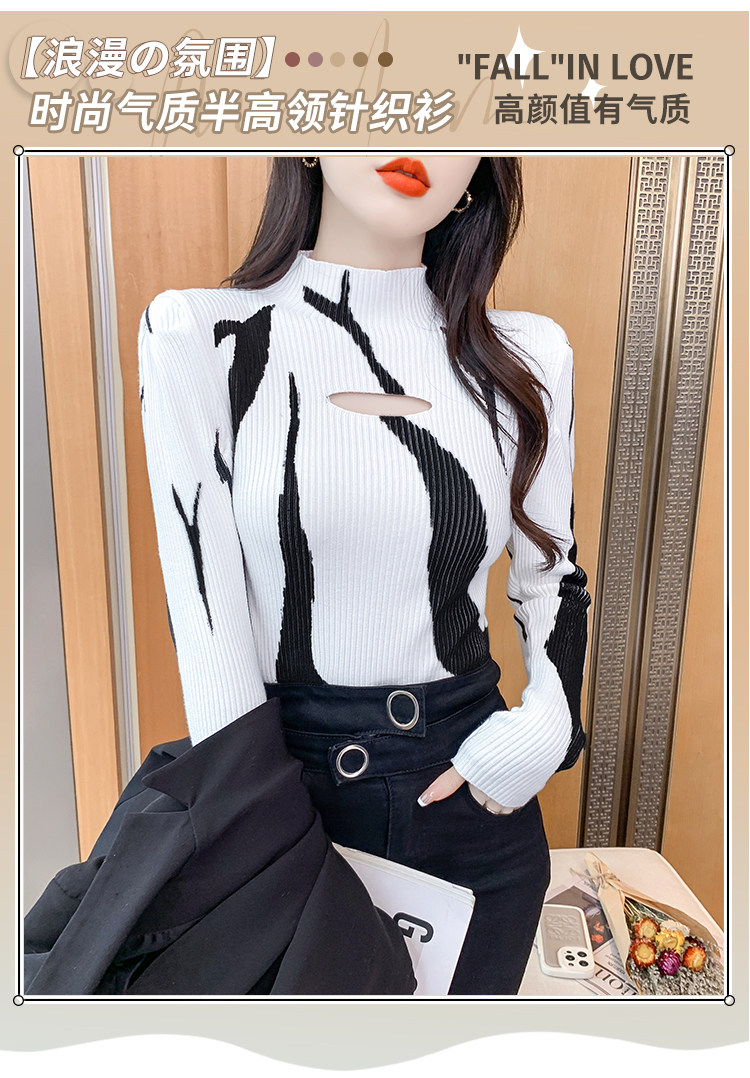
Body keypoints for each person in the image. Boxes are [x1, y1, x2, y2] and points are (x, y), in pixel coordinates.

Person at [138, 154, 591, 995]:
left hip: (470, 791)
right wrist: (251, 826)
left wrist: (546, 728)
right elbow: (204, 610)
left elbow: (550, 571)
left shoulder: (530, 354)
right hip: (279, 793)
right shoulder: (200, 334)